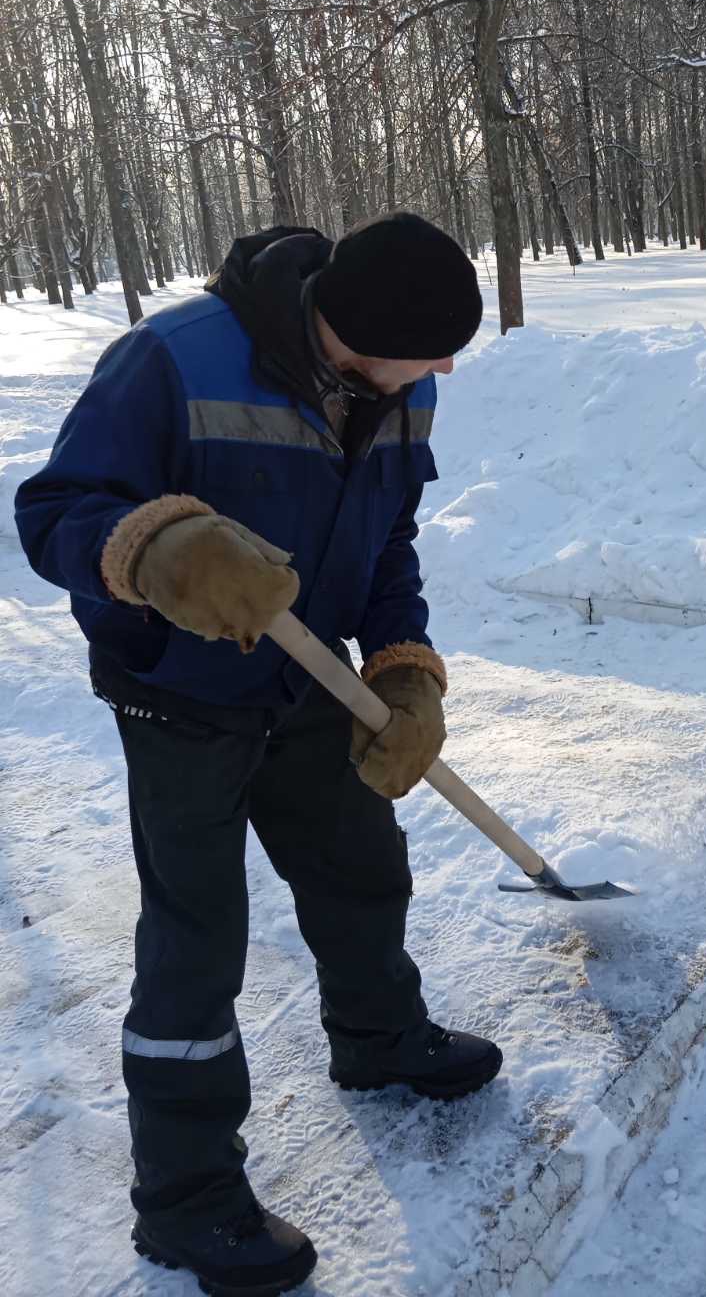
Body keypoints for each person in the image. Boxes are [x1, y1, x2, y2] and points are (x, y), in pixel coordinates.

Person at [15, 212, 500, 1297]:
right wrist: (154, 550)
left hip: (304, 676)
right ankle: (185, 1200)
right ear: (361, 332)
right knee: (196, 938)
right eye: (432, 350)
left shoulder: (404, 388)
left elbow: (388, 539)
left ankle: (377, 1037)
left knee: (360, 865)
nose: (448, 370)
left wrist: (402, 663)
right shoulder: (173, 361)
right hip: (174, 690)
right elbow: (54, 512)